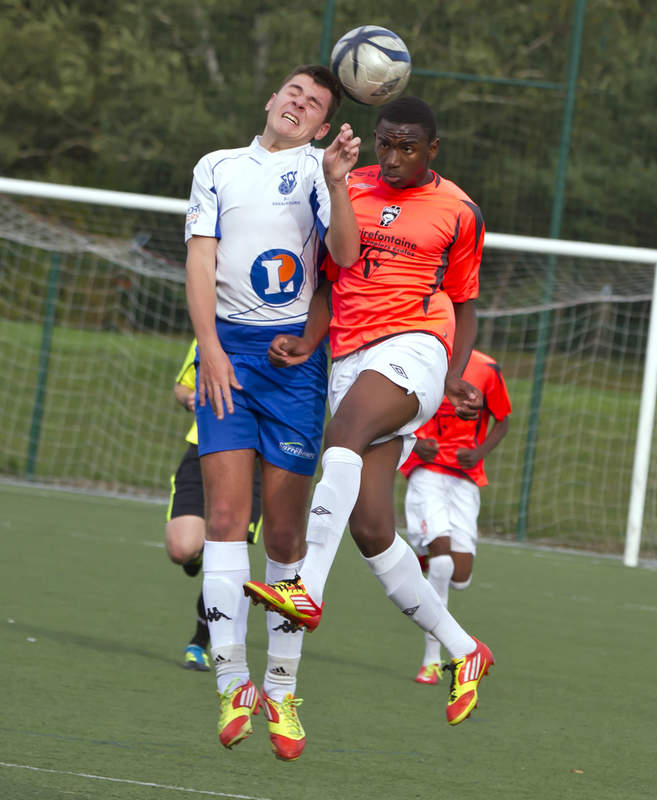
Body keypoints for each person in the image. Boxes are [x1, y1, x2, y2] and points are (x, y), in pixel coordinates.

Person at [243, 96, 495, 727]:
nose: (394, 155)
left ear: (432, 149)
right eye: (386, 142)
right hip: (350, 353)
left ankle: (306, 590)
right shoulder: (348, 182)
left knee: (345, 433)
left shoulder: (459, 211)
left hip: (416, 345)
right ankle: (466, 652)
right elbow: (335, 274)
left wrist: (457, 373)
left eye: (408, 146)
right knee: (373, 528)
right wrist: (308, 338)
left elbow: (463, 303)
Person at [185, 63, 361, 760]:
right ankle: (233, 683)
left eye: (314, 103)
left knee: (284, 539)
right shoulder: (218, 166)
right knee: (226, 519)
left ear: (322, 125)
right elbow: (201, 261)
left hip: (292, 366)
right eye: (293, 91)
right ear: (271, 98)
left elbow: (344, 255)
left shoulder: (322, 170)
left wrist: (341, 178)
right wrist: (209, 349)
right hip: (225, 350)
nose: (299, 103)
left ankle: (282, 691)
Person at [403, 348, 510, 684]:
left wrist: (479, 453)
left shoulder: (488, 369)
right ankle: (432, 659)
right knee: (443, 563)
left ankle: (422, 553)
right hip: (426, 472)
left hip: (464, 480)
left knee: (459, 577)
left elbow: (503, 419)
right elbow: (397, 409)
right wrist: (414, 442)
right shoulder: (420, 355)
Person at [164, 338, 262, 672]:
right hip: (203, 448)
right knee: (181, 548)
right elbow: (181, 387)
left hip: (255, 459)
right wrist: (189, 398)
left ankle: (198, 643)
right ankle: (198, 552)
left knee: (228, 554)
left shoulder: (283, 336)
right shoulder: (209, 334)